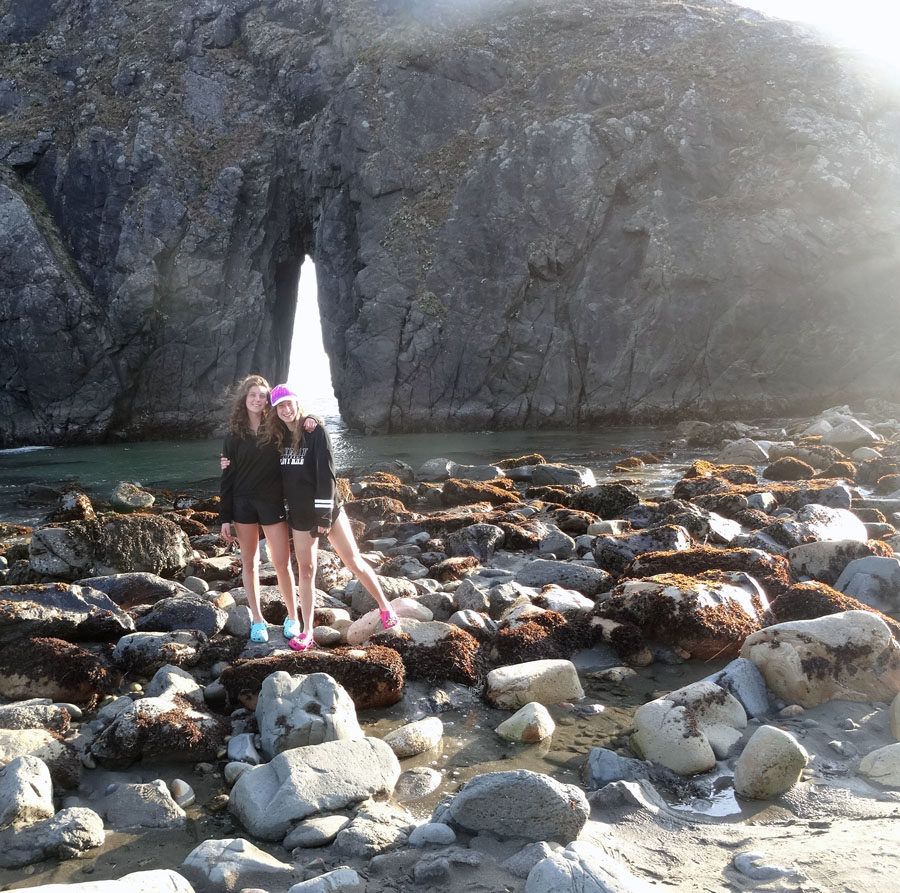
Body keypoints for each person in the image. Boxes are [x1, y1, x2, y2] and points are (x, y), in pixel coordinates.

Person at [264, 382, 398, 651]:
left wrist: (324, 517)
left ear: (296, 402)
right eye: (280, 406)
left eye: (289, 403)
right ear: (275, 411)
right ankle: (307, 631)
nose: (286, 409)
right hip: (300, 515)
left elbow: (327, 475)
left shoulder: (315, 432)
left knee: (353, 560)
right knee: (306, 570)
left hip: (329, 511)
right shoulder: (276, 439)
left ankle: (386, 607)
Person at [218, 374, 310, 644]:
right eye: (253, 395)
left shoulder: (277, 429)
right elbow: (227, 477)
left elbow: (299, 425)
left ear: (268, 400)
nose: (257, 399)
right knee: (250, 563)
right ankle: (257, 620)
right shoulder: (233, 435)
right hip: (242, 504)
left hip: (271, 503)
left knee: (282, 563)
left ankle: (292, 617)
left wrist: (312, 419)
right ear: (244, 399)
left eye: (262, 395)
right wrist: (224, 517)